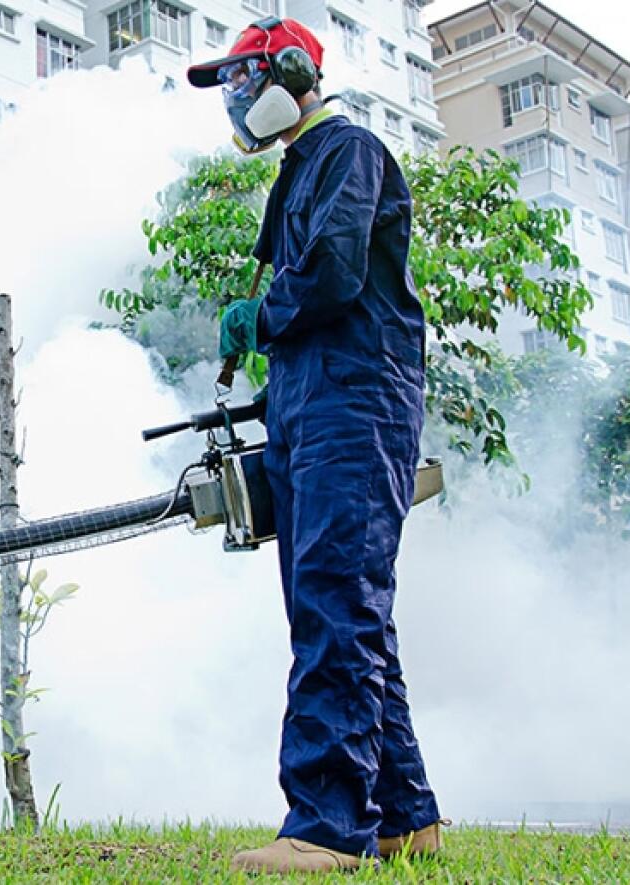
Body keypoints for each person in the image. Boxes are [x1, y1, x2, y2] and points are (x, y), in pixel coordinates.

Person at [188, 18, 444, 875]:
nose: (231, 98)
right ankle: (404, 817)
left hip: (355, 401)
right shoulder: (299, 171)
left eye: (240, 78)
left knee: (338, 602)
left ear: (291, 72)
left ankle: (328, 826)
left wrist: (259, 316)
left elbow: (334, 276)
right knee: (338, 607)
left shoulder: (349, 151)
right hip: (309, 405)